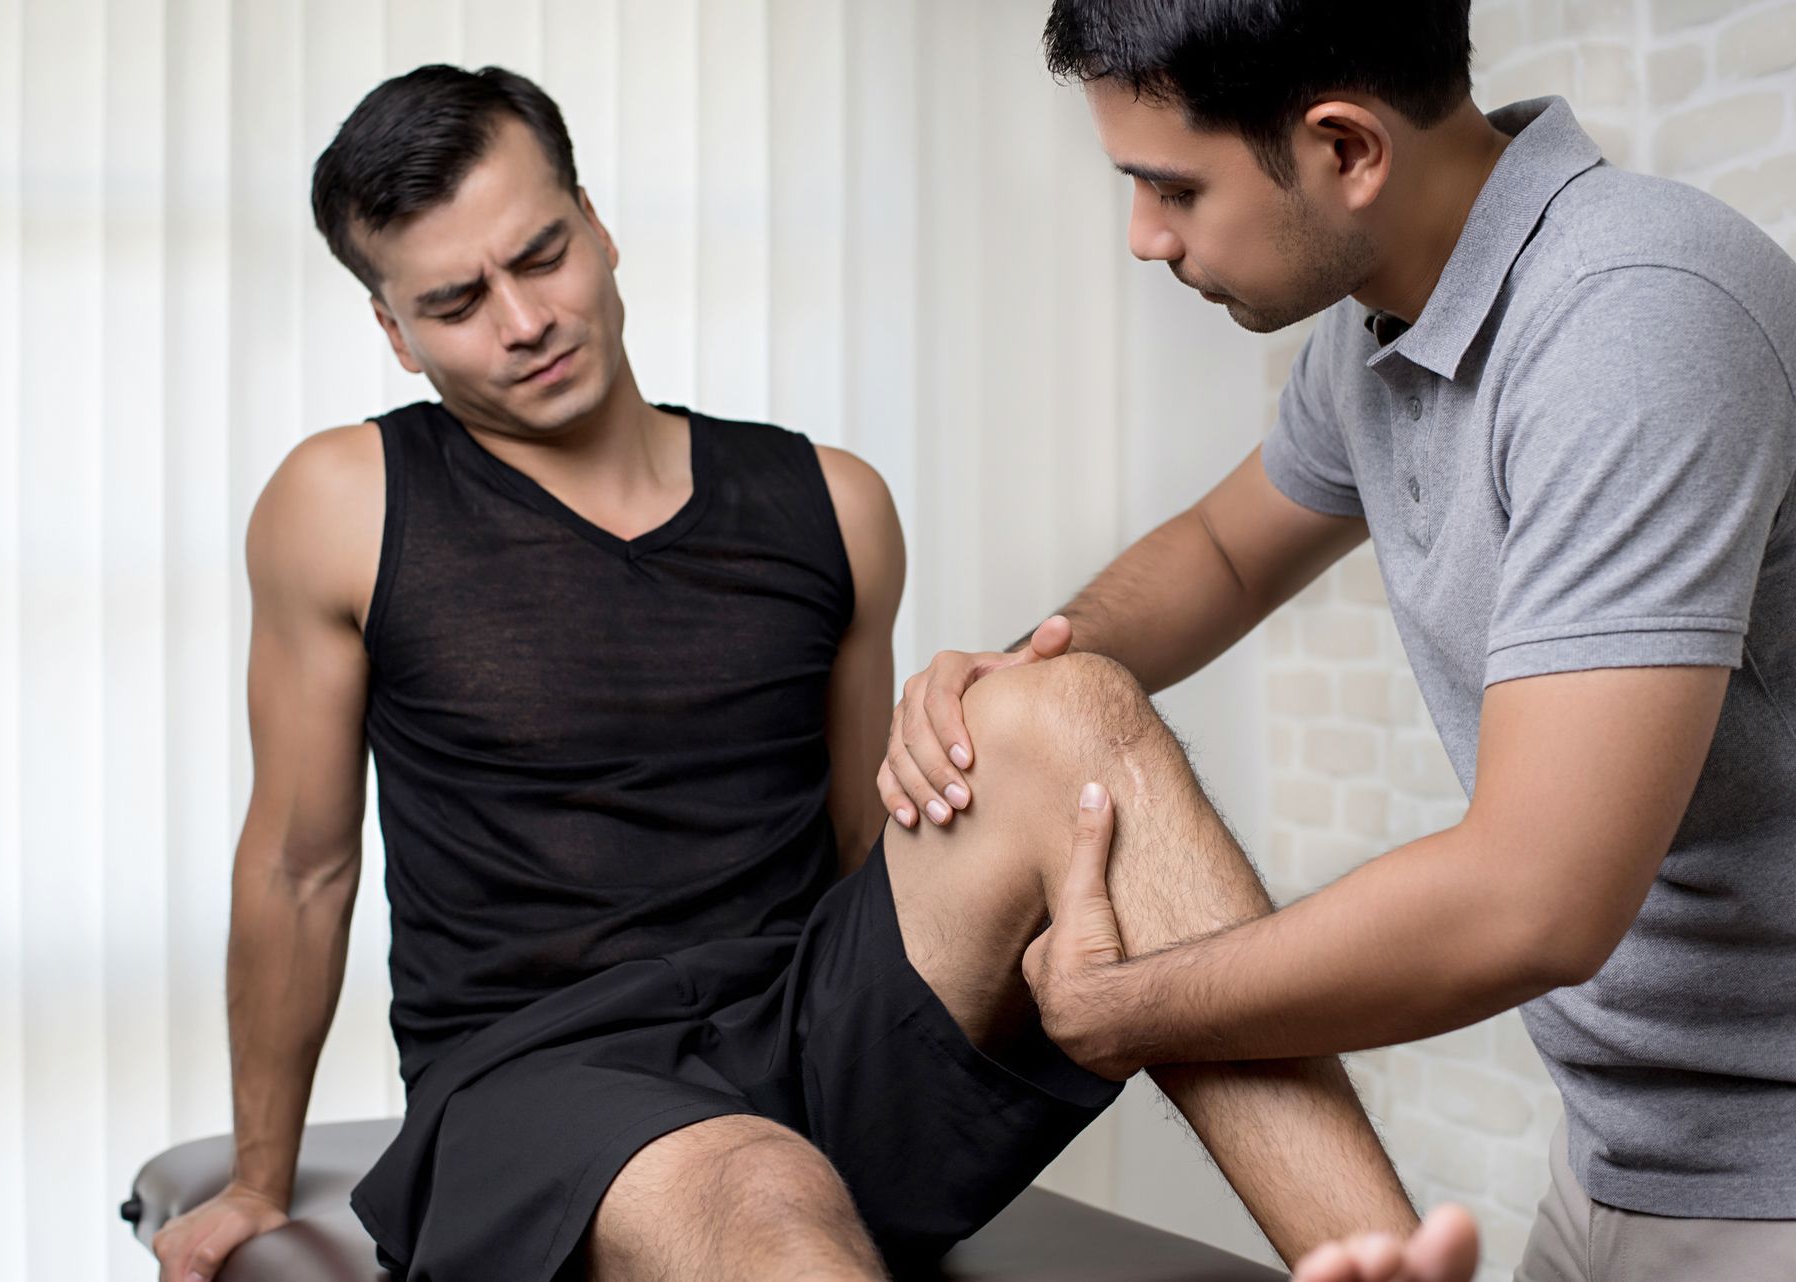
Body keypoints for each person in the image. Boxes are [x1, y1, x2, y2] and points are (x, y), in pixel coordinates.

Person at [146, 63, 1428, 1282]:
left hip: (811, 1030)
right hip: (539, 1081)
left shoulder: (833, 501)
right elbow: (301, 866)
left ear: (594, 225)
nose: (526, 320)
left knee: (1074, 700)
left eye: (541, 255)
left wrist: (1043, 915)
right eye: (456, 302)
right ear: (394, 331)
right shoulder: (343, 500)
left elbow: (869, 831)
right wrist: (262, 1178)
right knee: (758, 1182)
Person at [881, 3, 1796, 1280]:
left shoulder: (1634, 320)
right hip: (1615, 1160)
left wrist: (1122, 1005)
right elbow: (1224, 550)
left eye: (1170, 187)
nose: (1144, 238)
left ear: (1346, 149)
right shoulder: (1379, 328)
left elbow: (1533, 900)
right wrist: (1033, 660)